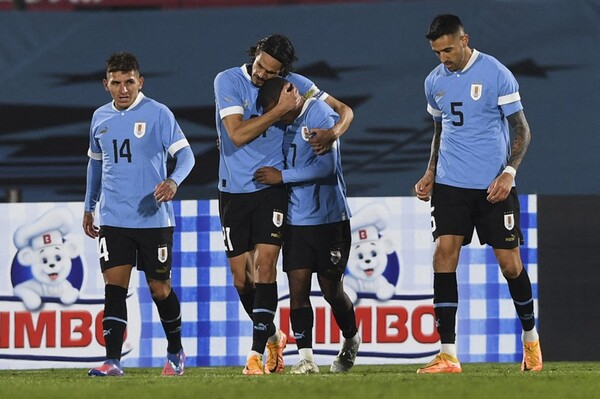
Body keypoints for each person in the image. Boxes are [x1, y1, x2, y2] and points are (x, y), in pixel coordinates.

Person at [214, 34, 353, 375]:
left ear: (285, 72)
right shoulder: (228, 80)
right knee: (241, 280)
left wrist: (335, 132)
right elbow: (236, 135)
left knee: (269, 270)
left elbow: (345, 111)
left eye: (271, 71)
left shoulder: (300, 87)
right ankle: (274, 336)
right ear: (255, 53)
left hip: (274, 192)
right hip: (234, 189)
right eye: (260, 65)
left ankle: (259, 356)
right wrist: (278, 111)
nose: (262, 74)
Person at [414, 15, 541, 374]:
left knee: (510, 264)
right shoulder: (434, 82)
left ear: (464, 39)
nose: (443, 58)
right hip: (450, 185)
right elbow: (440, 131)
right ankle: (448, 354)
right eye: (437, 52)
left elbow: (522, 131)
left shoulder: (496, 73)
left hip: (492, 188)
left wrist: (508, 173)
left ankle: (530, 339)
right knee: (443, 255)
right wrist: (431, 171)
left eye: (448, 49)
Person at [83, 52, 195, 377]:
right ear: (106, 85)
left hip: (153, 220)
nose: (123, 89)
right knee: (114, 288)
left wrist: (173, 181)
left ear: (139, 81)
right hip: (114, 219)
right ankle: (112, 360)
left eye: (129, 82)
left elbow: (186, 156)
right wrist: (89, 206)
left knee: (159, 288)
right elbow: (96, 164)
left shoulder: (158, 114)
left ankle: (175, 352)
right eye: (116, 83)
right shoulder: (99, 118)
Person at [254, 77, 360, 374]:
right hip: (295, 221)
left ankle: (351, 338)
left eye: (281, 112)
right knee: (297, 289)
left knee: (331, 291)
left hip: (329, 219)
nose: (280, 119)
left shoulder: (319, 115)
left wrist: (282, 177)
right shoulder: (280, 122)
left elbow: (326, 168)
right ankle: (306, 358)